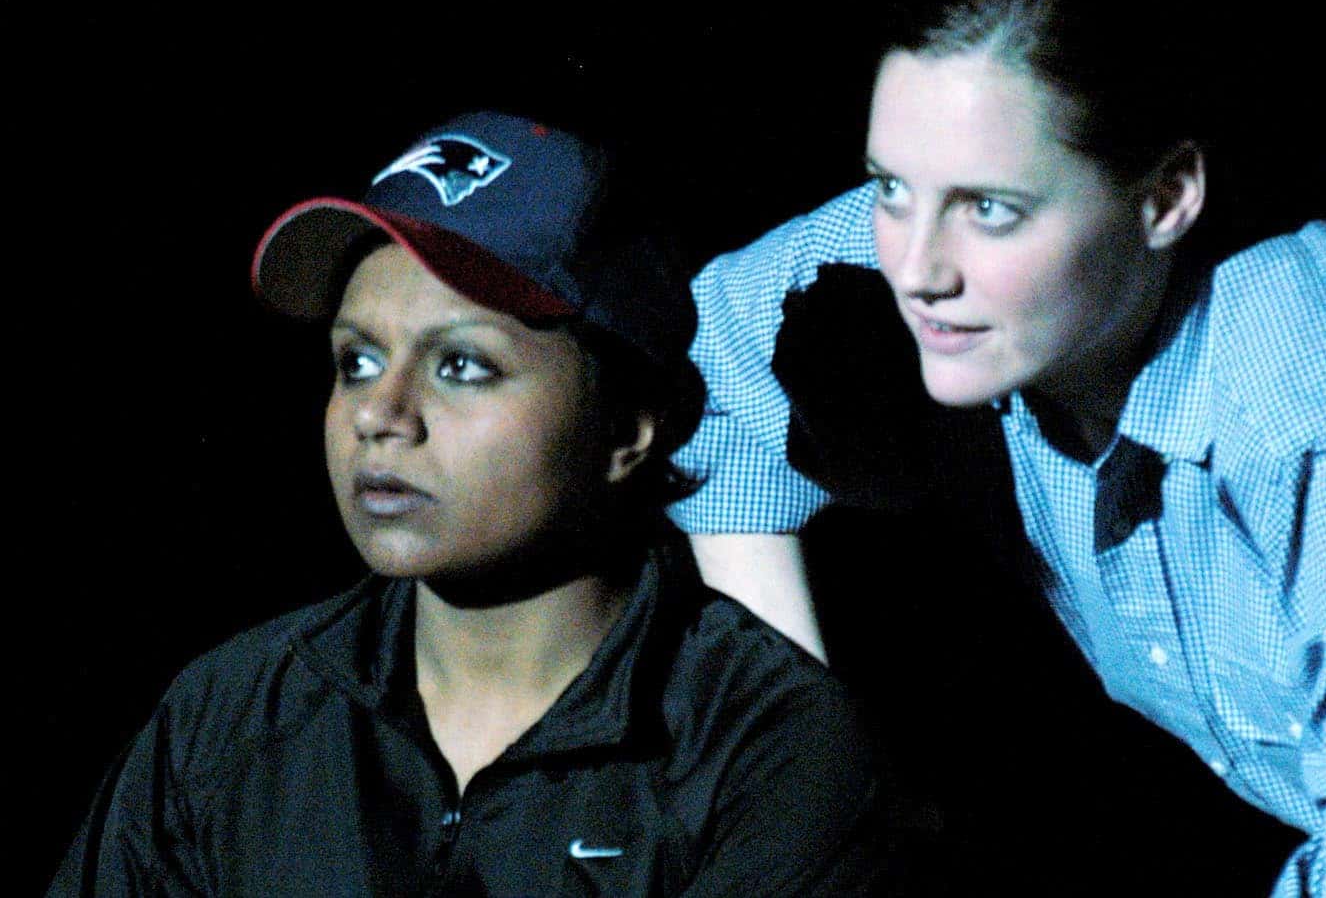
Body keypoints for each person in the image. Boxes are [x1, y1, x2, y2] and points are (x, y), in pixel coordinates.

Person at [670, 0, 1326, 895]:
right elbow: (704, 363)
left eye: (988, 210)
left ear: (1166, 197)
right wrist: (804, 758)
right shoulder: (965, 249)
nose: (916, 271)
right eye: (889, 187)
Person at [48, 111, 898, 896]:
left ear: (629, 424)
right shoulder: (231, 714)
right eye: (357, 361)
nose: (380, 414)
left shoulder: (769, 745)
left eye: (461, 365)